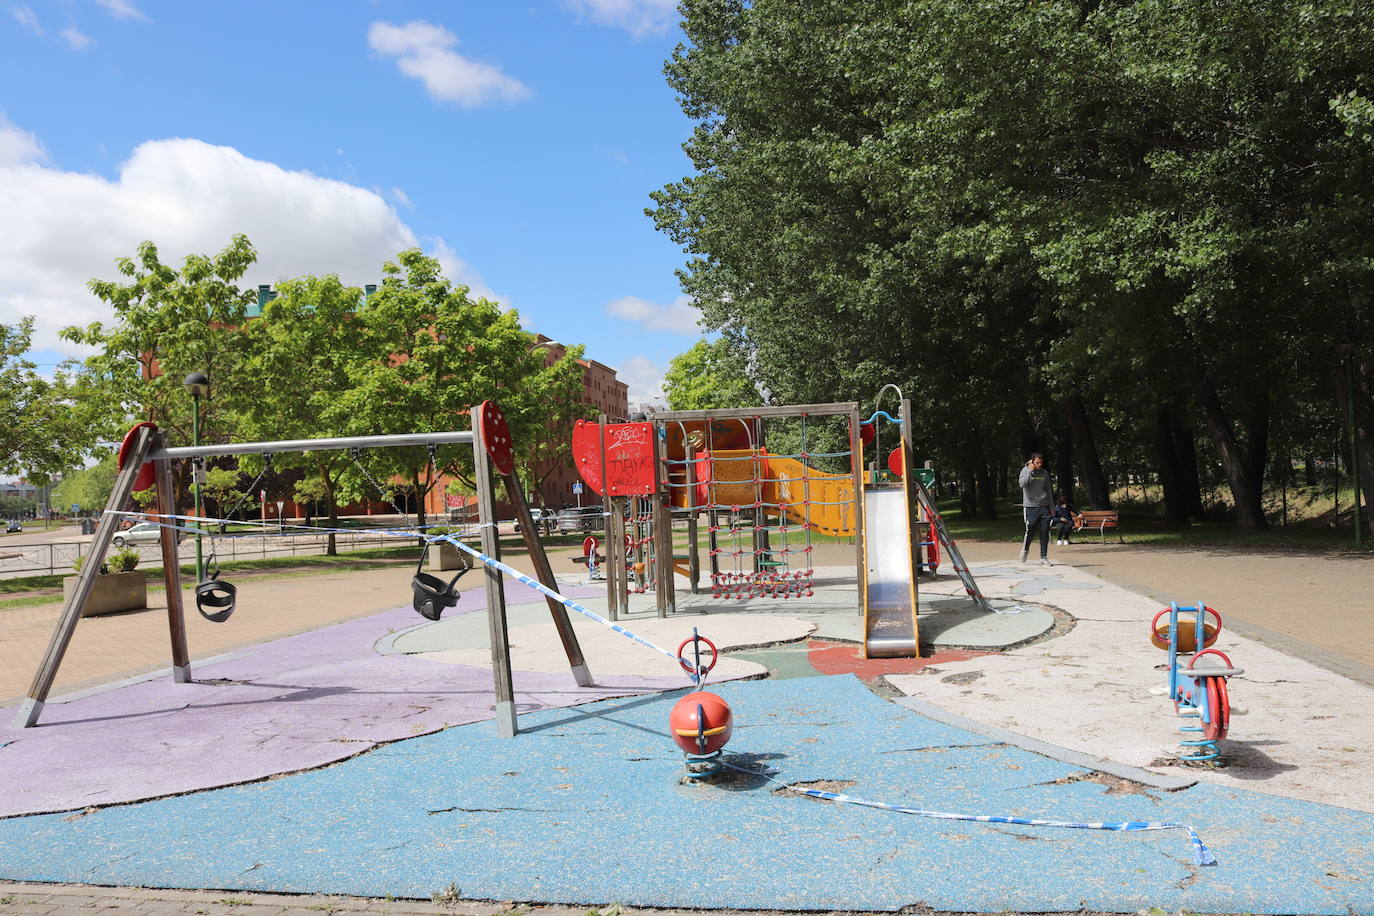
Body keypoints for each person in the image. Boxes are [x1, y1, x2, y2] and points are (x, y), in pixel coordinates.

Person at [1018, 452, 1053, 565]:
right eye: (1037, 462)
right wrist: (1030, 470)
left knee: (1044, 531)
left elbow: (1049, 490)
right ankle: (1026, 549)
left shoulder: (1044, 473)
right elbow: (1022, 484)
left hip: (1044, 506)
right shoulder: (1025, 471)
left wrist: (1052, 507)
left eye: (1041, 463)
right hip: (1030, 506)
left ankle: (1043, 556)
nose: (1039, 465)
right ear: (1032, 462)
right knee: (1031, 530)